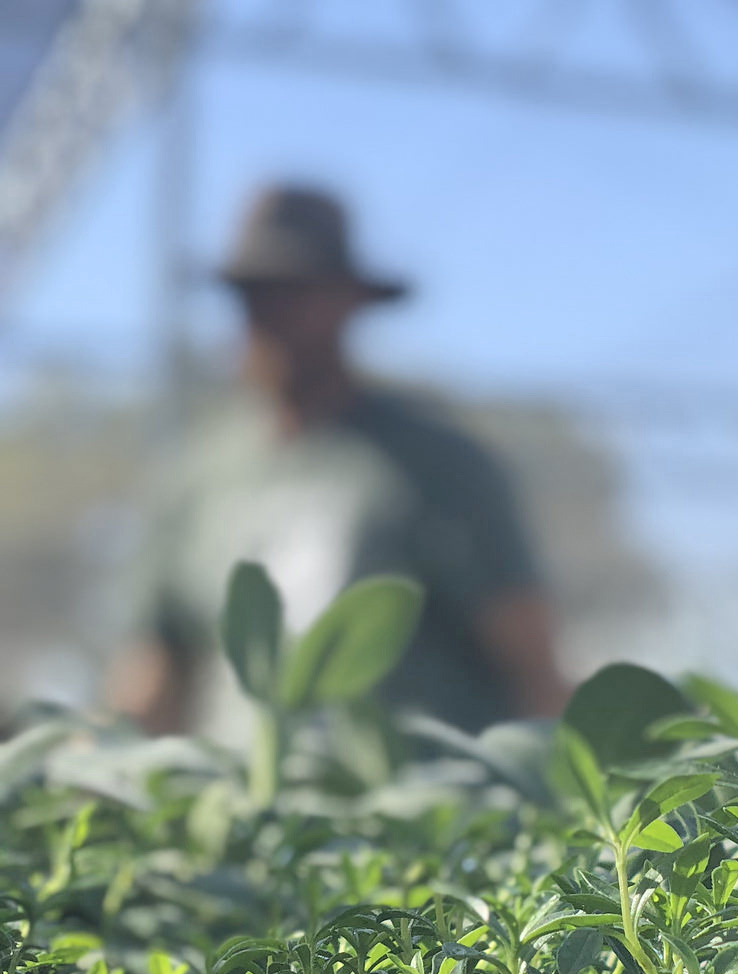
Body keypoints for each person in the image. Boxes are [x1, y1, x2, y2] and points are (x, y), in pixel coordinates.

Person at [109, 184, 570, 738]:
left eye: (297, 293)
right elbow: (155, 672)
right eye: (257, 296)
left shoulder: (437, 467)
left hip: (417, 815)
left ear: (349, 302)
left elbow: (531, 665)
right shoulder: (195, 478)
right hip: (239, 814)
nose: (273, 316)